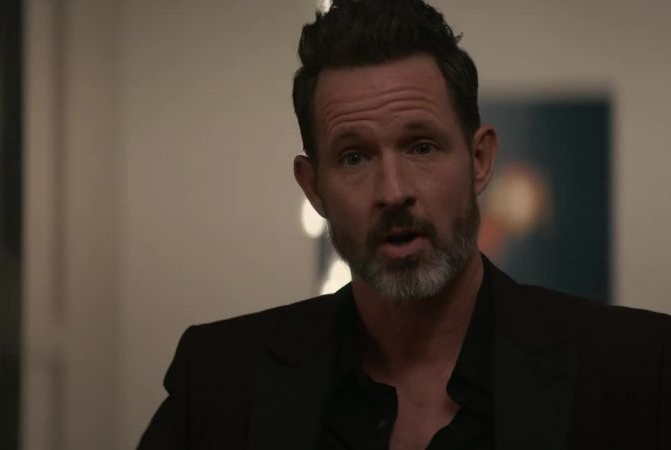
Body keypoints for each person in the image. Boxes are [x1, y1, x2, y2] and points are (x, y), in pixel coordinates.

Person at [137, 0, 671, 449]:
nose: (393, 192)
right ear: (314, 187)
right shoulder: (221, 382)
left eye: (421, 147)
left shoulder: (638, 371)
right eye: (354, 157)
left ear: (480, 160)